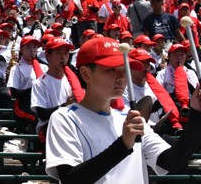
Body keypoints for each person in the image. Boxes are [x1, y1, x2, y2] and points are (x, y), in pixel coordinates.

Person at [46, 37, 201, 184]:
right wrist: (123, 144)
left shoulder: (129, 117)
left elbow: (171, 162)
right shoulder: (64, 118)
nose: (121, 77)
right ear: (86, 73)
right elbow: (70, 179)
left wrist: (196, 113)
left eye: (124, 69)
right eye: (111, 70)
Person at [31, 37, 79, 141]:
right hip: (48, 128)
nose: (63, 57)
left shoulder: (72, 81)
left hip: (70, 124)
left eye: (66, 53)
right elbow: (42, 115)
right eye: (58, 53)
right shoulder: (39, 83)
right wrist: (65, 105)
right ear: (48, 56)